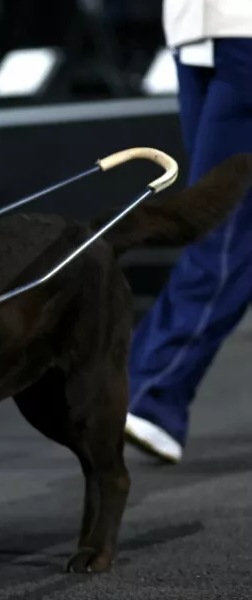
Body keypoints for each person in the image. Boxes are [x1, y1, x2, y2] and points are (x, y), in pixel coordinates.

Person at [125, 0, 252, 463]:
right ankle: (146, 389)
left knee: (220, 224)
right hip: (193, 32)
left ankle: (152, 391)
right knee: (226, 226)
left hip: (242, 34)